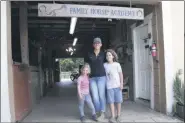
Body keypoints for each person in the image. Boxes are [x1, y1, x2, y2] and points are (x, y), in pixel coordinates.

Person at [85, 37, 106, 121]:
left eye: (98, 43)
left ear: (101, 44)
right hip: (92, 78)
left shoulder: (104, 53)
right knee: (95, 97)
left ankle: (103, 112)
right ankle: (97, 112)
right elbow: (86, 65)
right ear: (93, 45)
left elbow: (108, 62)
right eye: (95, 43)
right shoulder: (89, 54)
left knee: (101, 96)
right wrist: (85, 75)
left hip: (101, 77)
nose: (97, 44)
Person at [104, 49, 124, 123]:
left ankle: (118, 115)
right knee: (111, 102)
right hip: (109, 86)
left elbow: (121, 74)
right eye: (107, 55)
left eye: (109, 55)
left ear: (113, 56)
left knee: (118, 101)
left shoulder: (117, 64)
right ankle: (112, 116)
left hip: (117, 86)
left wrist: (121, 84)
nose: (108, 56)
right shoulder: (105, 65)